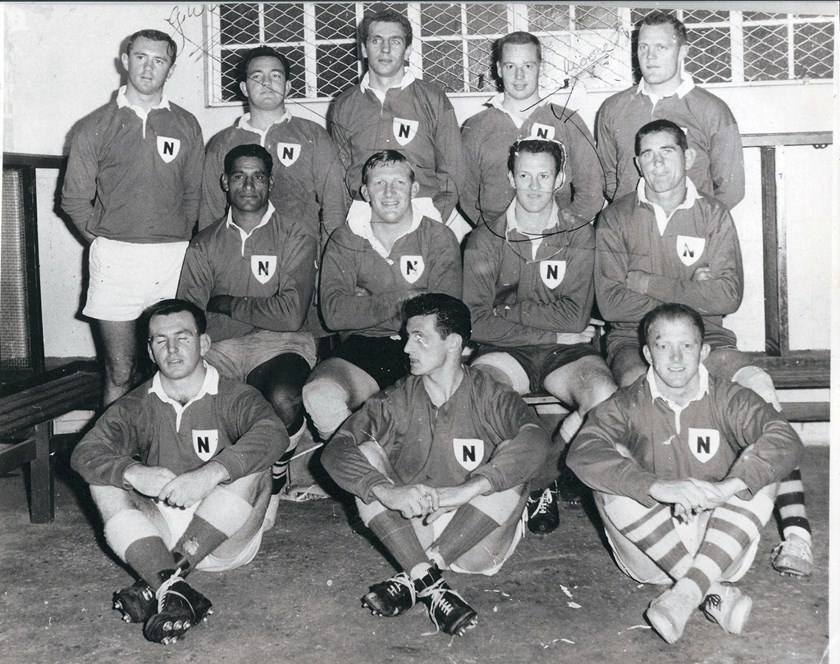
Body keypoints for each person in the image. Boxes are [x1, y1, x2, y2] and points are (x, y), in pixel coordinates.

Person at [594, 118, 813, 577]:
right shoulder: (616, 216)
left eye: (667, 152)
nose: (657, 164)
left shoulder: (712, 213)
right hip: (635, 338)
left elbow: (727, 296)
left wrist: (647, 282)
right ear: (636, 162)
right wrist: (690, 286)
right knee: (642, 392)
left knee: (759, 385)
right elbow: (611, 301)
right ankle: (671, 525)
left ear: (687, 157)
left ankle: (796, 534)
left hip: (707, 336)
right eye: (648, 155)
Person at [567, 303, 803, 644]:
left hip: (721, 540)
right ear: (648, 353)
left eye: (687, 346)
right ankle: (705, 591)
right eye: (664, 346)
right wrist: (656, 486)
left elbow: (786, 439)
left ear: (704, 351)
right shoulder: (627, 402)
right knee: (608, 463)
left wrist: (727, 488)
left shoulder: (730, 396)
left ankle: (685, 595)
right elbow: (582, 451)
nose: (676, 358)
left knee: (761, 463)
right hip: (650, 550)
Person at [322, 293, 552, 637]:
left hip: (479, 533)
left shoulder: (490, 393)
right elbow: (335, 450)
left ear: (453, 343)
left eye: (420, 338)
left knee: (512, 457)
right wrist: (386, 490)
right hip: (418, 524)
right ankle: (430, 583)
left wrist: (467, 490)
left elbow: (536, 439)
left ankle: (417, 573)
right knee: (365, 455)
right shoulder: (397, 396)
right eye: (407, 337)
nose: (406, 349)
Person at [70, 299, 286, 645]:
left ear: (203, 344)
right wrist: (132, 472)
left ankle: (157, 581)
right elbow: (85, 452)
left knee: (253, 465)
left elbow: (274, 433)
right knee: (104, 478)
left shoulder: (235, 395)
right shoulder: (137, 402)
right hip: (160, 533)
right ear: (150, 351)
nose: (172, 349)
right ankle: (176, 590)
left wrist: (212, 472)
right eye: (160, 340)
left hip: (227, 535)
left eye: (183, 338)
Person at [463, 138, 616, 532]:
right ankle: (509, 487)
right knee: (482, 392)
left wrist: (509, 309)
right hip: (502, 349)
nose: (533, 186)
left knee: (602, 395)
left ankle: (541, 481)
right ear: (510, 177)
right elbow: (477, 323)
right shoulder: (485, 237)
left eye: (544, 176)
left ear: (560, 179)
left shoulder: (579, 235)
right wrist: (556, 330)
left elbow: (575, 314)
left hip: (563, 353)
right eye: (525, 175)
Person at [62, 29, 204, 406]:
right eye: (141, 57)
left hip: (172, 260)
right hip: (116, 261)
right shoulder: (93, 126)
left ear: (170, 70)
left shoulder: (187, 124)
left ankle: (171, 453)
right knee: (120, 370)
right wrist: (107, 240)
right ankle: (112, 462)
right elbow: (74, 199)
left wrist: (177, 240)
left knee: (174, 368)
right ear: (125, 61)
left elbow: (194, 195)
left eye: (159, 60)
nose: (148, 67)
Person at [178, 144, 317, 522]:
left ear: (271, 182)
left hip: (281, 343)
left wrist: (226, 305)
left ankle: (273, 477)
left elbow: (291, 316)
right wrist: (256, 313)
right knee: (191, 395)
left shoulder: (295, 235)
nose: (249, 184)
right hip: (219, 346)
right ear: (225, 181)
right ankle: (211, 487)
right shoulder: (205, 242)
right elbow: (190, 317)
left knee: (283, 397)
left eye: (258, 176)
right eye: (239, 175)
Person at [302, 151, 462, 442]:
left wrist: (366, 303)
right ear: (365, 192)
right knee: (319, 394)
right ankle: (364, 476)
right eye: (379, 184)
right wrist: (408, 298)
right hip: (365, 345)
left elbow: (445, 314)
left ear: (413, 189)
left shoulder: (438, 236)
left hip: (426, 346)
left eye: (399, 182)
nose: (389, 193)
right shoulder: (345, 239)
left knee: (414, 416)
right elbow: (335, 313)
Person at [329, 9, 470, 240]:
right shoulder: (344, 104)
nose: (385, 49)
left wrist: (432, 217)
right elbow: (339, 175)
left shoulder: (433, 98)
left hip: (421, 211)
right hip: (364, 215)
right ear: (364, 48)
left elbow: (453, 170)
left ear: (407, 50)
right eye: (376, 40)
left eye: (395, 41)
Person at [199, 46, 348, 249]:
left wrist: (330, 260)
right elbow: (210, 211)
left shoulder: (313, 135)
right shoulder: (222, 142)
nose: (267, 83)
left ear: (287, 87)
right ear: (244, 88)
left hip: (300, 253)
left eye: (275, 75)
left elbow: (334, 205)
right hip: (240, 256)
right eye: (257, 76)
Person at [596, 11, 744, 209]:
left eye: (661, 47)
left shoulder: (713, 110)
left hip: (689, 232)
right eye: (643, 47)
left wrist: (698, 222)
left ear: (682, 52)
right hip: (633, 231)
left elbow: (731, 188)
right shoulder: (613, 108)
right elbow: (608, 177)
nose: (650, 56)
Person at [461, 31, 603, 229]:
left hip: (556, 240)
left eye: (528, 66)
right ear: (499, 70)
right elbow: (465, 193)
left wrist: (562, 230)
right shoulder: (476, 127)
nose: (519, 75)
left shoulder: (567, 121)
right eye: (511, 66)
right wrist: (492, 234)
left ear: (540, 68)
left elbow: (592, 191)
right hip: (498, 243)